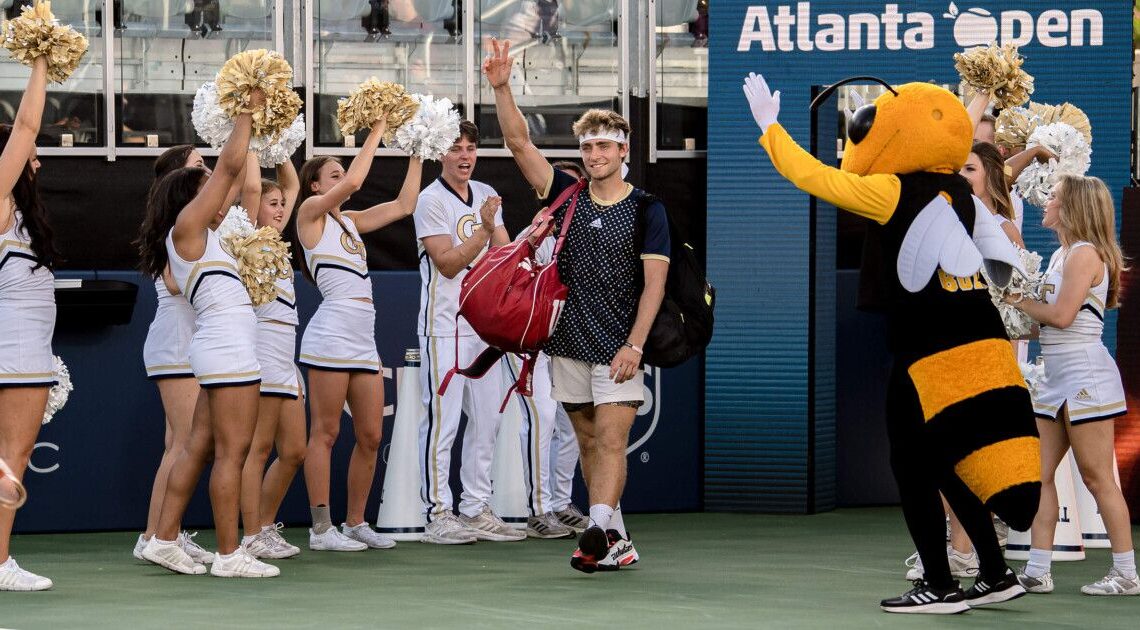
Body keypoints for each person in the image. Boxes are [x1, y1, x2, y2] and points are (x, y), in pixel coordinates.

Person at [485, 38, 670, 571]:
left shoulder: (646, 209)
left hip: (618, 345)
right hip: (566, 339)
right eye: (587, 148)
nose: (594, 156)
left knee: (611, 441)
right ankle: (615, 538)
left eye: (604, 147)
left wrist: (635, 344)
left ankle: (594, 529)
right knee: (588, 441)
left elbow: (654, 286)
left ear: (623, 151)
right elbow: (520, 145)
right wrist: (500, 87)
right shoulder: (566, 194)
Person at [138, 90, 279, 578]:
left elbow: (240, 180)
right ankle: (228, 554)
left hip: (219, 349)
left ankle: (162, 538)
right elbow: (229, 170)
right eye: (206, 192)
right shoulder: (188, 227)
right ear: (189, 199)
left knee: (197, 446)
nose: (218, 200)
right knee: (231, 454)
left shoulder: (208, 234)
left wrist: (254, 132)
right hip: (227, 351)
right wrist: (245, 111)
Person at [1006, 175, 1137, 596]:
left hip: (1084, 374)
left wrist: (1012, 300)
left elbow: (1061, 317)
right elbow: (1043, 324)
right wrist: (1011, 316)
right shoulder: (1061, 254)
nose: (1046, 201)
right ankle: (1038, 569)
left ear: (1073, 207)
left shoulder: (1084, 254)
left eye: (1055, 197)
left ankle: (1126, 573)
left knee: (1097, 477)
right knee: (1038, 475)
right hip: (1055, 374)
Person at [295, 125, 423, 552]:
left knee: (370, 435)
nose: (341, 179)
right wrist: (380, 129)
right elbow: (355, 181)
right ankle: (320, 528)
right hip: (330, 335)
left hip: (362, 341)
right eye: (331, 175)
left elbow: (405, 205)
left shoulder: (349, 222)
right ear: (315, 185)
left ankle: (355, 522)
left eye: (339, 174)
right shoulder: (310, 213)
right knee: (326, 433)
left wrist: (420, 150)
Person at [414, 120, 524, 544]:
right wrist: (483, 227)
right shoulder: (430, 200)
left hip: (485, 330)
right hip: (445, 328)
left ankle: (475, 507)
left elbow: (506, 253)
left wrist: (522, 239)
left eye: (470, 148)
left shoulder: (484, 194)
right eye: (456, 148)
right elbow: (447, 263)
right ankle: (437, 513)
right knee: (443, 423)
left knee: (488, 419)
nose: (464, 156)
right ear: (442, 154)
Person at [132, 144, 228, 566]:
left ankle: (158, 533)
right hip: (176, 341)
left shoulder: (198, 223)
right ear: (179, 178)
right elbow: (174, 284)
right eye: (198, 166)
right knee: (187, 445)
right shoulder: (177, 225)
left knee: (179, 444)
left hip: (188, 340)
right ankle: (156, 536)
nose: (206, 171)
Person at [0, 56, 57, 591]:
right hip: (13, 356)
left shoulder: (18, 214)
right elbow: (25, 126)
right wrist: (41, 60)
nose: (35, 159)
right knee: (10, 459)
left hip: (25, 353)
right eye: (26, 156)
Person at [237, 157, 306, 559]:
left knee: (294, 449)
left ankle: (264, 525)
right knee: (258, 449)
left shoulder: (279, 245)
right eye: (272, 203)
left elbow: (294, 185)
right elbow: (249, 191)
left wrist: (278, 146)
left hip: (285, 355)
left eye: (282, 203)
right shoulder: (246, 237)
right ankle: (250, 534)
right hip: (260, 352)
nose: (281, 208)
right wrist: (251, 144)